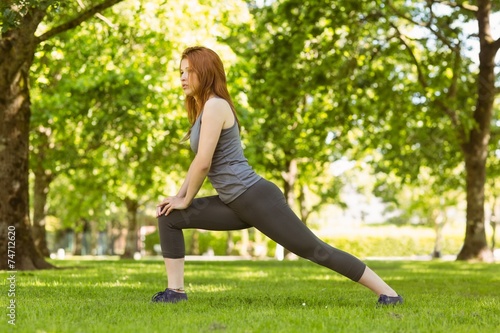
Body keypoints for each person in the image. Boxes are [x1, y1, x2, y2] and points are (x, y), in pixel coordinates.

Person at [151, 46, 403, 306]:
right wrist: (178, 198)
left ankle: (389, 294)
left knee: (315, 250)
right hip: (234, 202)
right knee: (169, 216)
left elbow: (204, 163)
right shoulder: (205, 110)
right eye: (180, 72)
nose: (182, 78)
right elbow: (198, 163)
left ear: (205, 72)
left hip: (255, 198)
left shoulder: (216, 105)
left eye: (189, 71)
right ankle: (175, 292)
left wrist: (186, 198)